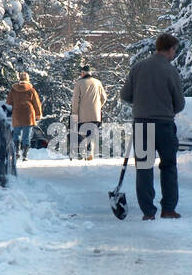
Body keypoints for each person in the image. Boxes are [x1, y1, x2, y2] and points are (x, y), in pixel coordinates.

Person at [120, 32, 185, 219]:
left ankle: (148, 211)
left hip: (142, 124)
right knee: (169, 166)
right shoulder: (170, 71)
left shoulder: (138, 68)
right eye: (174, 50)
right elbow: (179, 103)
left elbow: (125, 95)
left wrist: (141, 102)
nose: (174, 54)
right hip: (164, 125)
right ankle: (168, 209)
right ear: (171, 49)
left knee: (144, 167)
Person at [70, 64, 107, 160]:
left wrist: (74, 113)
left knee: (81, 132)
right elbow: (104, 98)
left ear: (83, 73)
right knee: (91, 134)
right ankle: (89, 151)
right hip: (95, 115)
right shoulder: (98, 83)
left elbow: (75, 100)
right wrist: (98, 107)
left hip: (82, 115)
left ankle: (82, 153)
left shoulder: (79, 83)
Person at [6, 72, 42, 160]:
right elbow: (36, 103)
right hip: (28, 115)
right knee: (26, 136)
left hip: (17, 115)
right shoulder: (31, 90)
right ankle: (25, 155)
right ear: (27, 79)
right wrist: (38, 114)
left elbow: (8, 102)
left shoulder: (13, 90)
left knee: (16, 135)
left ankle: (16, 152)